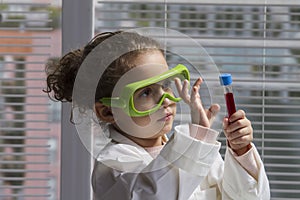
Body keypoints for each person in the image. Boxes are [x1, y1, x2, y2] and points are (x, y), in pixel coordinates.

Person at [44, 30, 270, 200]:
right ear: (108, 111)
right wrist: (197, 140)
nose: (166, 100)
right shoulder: (113, 164)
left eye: (165, 85)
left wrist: (240, 150)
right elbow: (155, 193)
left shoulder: (193, 149)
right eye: (145, 92)